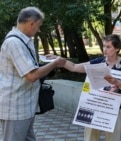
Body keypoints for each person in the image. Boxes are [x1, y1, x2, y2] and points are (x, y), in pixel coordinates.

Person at [47, 34, 121, 141]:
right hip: (95, 107)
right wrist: (58, 60)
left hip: (115, 109)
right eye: (104, 46)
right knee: (90, 138)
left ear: (116, 48)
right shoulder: (98, 62)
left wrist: (117, 82)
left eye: (108, 47)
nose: (105, 49)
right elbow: (74, 67)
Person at [0, 7, 66, 141]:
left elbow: (28, 69)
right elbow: (32, 76)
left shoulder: (23, 40)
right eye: (38, 26)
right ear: (31, 23)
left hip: (25, 106)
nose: (39, 30)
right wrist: (54, 64)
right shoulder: (14, 43)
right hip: (16, 109)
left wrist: (46, 63)